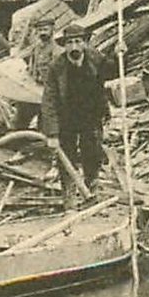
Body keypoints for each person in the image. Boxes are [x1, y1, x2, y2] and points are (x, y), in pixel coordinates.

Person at [40, 21, 109, 191]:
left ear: (85, 43)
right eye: (70, 42)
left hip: (91, 115)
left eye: (78, 41)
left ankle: (91, 188)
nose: (74, 46)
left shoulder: (95, 58)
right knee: (66, 157)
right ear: (64, 46)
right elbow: (49, 100)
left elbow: (113, 70)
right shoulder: (56, 67)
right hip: (67, 118)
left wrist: (121, 53)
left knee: (92, 154)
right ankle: (69, 196)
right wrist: (52, 134)